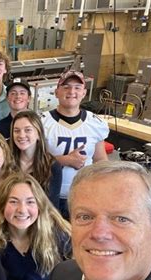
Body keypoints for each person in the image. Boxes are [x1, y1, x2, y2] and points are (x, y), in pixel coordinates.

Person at [40, 69, 109, 219]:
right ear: (56, 92)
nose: (72, 91)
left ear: (84, 93)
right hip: (48, 195)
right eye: (66, 87)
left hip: (82, 195)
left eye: (77, 87)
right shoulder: (42, 122)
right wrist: (63, 160)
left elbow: (100, 160)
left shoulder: (95, 123)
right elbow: (32, 160)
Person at [10, 110, 62, 209]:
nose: (21, 135)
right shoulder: (7, 162)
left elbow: (52, 207)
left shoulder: (52, 166)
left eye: (28, 130)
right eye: (16, 130)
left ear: (38, 133)